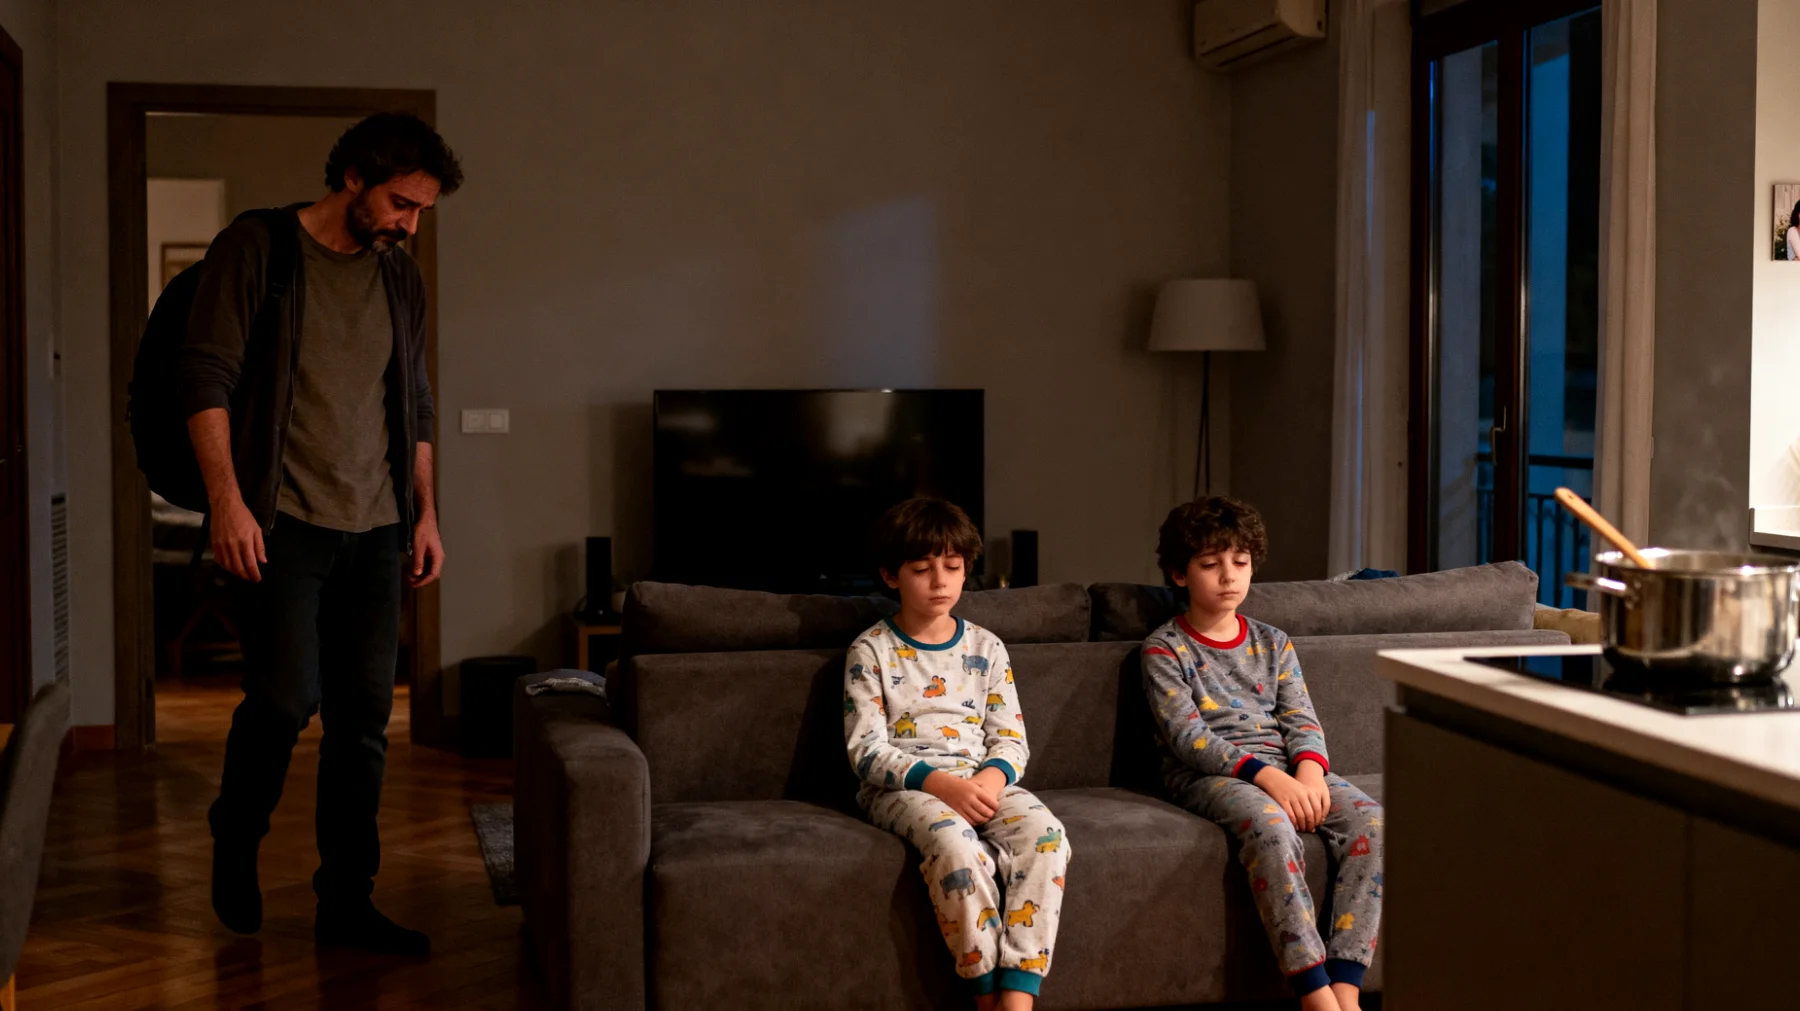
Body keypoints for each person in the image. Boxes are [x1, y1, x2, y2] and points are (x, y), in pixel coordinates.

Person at [178, 112, 463, 955]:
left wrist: (426, 513)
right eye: (403, 204)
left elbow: (415, 401)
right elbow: (205, 376)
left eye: (422, 210)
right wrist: (227, 503)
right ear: (354, 177)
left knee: (365, 720)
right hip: (283, 522)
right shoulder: (258, 250)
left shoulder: (399, 277)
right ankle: (236, 828)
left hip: (377, 528)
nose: (411, 224)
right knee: (283, 696)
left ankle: (346, 899)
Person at [1140, 497, 1381, 1011]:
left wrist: (1309, 773)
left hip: (1286, 767)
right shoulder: (1164, 648)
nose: (1229, 576)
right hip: (1208, 774)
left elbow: (1302, 721)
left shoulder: (1274, 643)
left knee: (1375, 825)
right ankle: (1313, 992)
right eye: (1211, 564)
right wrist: (1270, 779)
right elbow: (1188, 738)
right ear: (1180, 575)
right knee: (1272, 828)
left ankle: (1347, 988)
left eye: (1240, 561)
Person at [844, 499, 1069, 1010]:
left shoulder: (988, 648)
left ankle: (1018, 995)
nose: (940, 581)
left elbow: (1011, 738)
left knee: (1047, 836)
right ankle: (984, 990)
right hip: (903, 788)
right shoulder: (870, 650)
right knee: (957, 847)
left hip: (981, 778)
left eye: (952, 567)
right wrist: (940, 784)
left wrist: (990, 780)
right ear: (891, 576)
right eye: (922, 569)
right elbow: (866, 750)